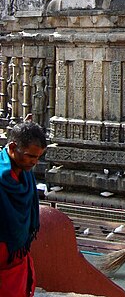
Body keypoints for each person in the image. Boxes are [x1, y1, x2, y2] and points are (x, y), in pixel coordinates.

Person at [0, 121, 47, 297]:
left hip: (18, 259)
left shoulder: (26, 177)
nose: (34, 162)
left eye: (37, 157)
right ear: (12, 147)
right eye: (30, 156)